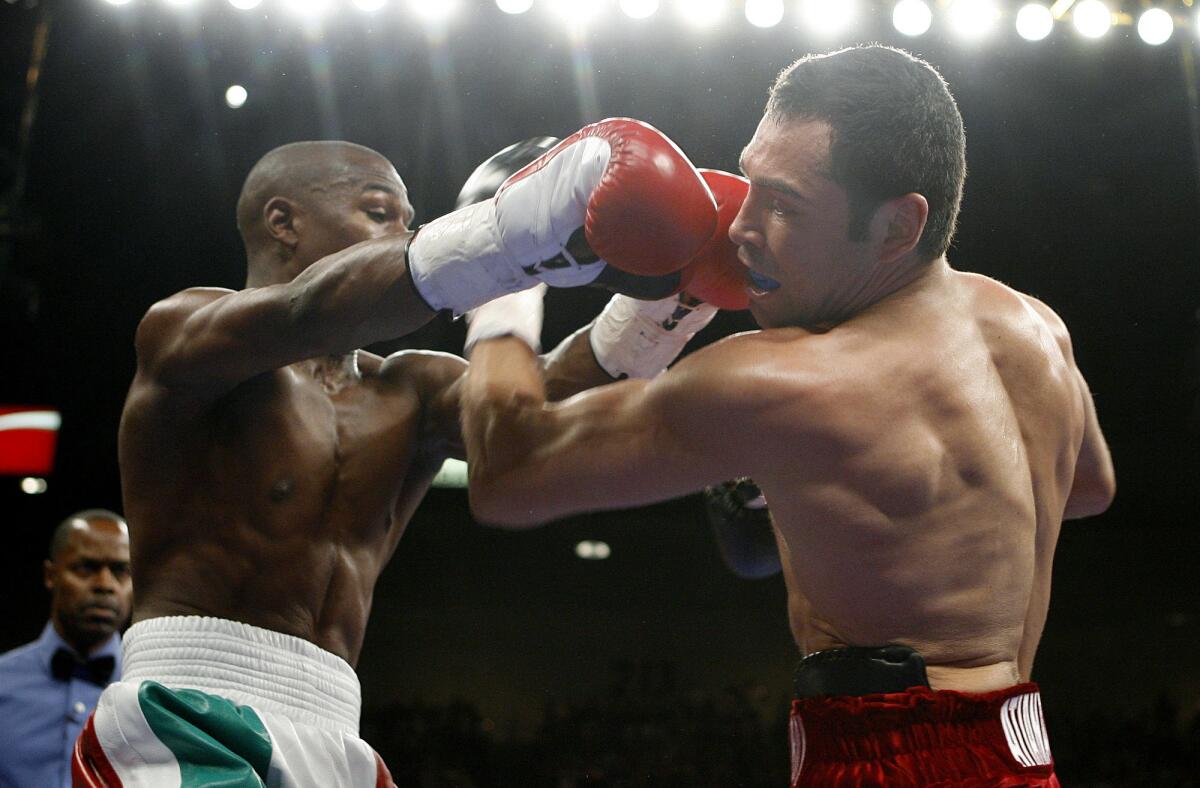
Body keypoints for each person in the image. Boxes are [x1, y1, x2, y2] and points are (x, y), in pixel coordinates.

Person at [459, 45, 1115, 787]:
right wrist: (859, 498)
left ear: (899, 228)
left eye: (784, 204)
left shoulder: (784, 379)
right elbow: (1088, 486)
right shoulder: (1035, 328)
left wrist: (499, 267)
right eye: (751, 183)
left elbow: (507, 474)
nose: (741, 227)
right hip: (1022, 756)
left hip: (894, 765)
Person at [73, 121, 726, 786]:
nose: (402, 237)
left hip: (336, 730)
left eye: (410, 222)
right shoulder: (184, 332)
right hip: (187, 706)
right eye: (378, 213)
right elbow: (307, 310)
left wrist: (672, 304)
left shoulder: (405, 388)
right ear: (283, 222)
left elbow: (543, 403)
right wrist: (506, 233)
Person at [0, 510, 131, 788]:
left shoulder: (152, 692)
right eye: (86, 567)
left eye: (121, 571)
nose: (105, 585)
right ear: (51, 575)